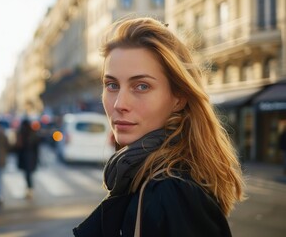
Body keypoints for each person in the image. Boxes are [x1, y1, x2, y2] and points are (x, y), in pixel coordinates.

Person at [73, 17, 245, 237]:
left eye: (141, 86)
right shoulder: (143, 174)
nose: (119, 104)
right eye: (112, 85)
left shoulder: (171, 191)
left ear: (179, 98)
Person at [16, 119, 40, 199]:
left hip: (25, 158)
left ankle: (29, 189)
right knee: (28, 175)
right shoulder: (32, 134)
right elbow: (37, 148)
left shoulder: (21, 134)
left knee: (27, 175)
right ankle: (29, 189)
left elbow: (17, 147)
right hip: (30, 158)